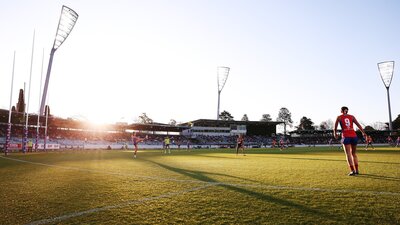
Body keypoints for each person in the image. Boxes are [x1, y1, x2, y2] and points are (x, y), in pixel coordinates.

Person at [333, 106, 367, 176]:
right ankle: (357, 170)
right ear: (347, 111)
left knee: (348, 154)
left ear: (341, 111)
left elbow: (335, 128)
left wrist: (335, 134)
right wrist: (363, 133)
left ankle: (352, 171)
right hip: (354, 135)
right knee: (354, 154)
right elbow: (358, 125)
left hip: (346, 136)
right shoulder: (352, 117)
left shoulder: (339, 117)